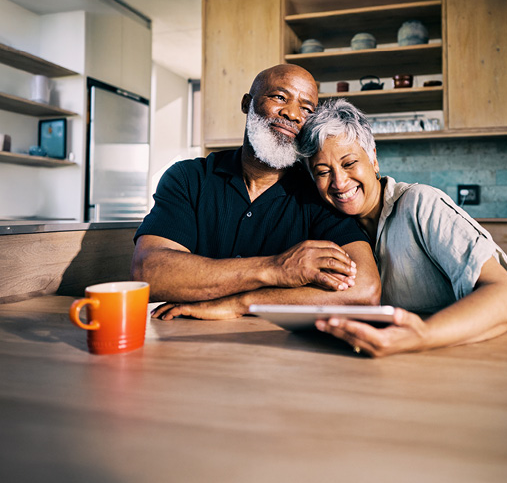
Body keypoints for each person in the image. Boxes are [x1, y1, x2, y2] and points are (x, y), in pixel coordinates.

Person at [131, 64, 380, 320]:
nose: (292, 114)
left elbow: (365, 290)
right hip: (183, 344)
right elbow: (148, 273)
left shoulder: (318, 192)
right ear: (247, 103)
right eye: (280, 97)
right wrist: (275, 269)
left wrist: (243, 302)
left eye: (306, 109)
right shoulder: (188, 178)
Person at [296, 98, 507, 357]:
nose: (338, 182)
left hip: (458, 356)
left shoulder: (420, 204)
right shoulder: (331, 230)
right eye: (323, 172)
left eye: (349, 163)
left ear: (373, 159)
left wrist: (421, 336)